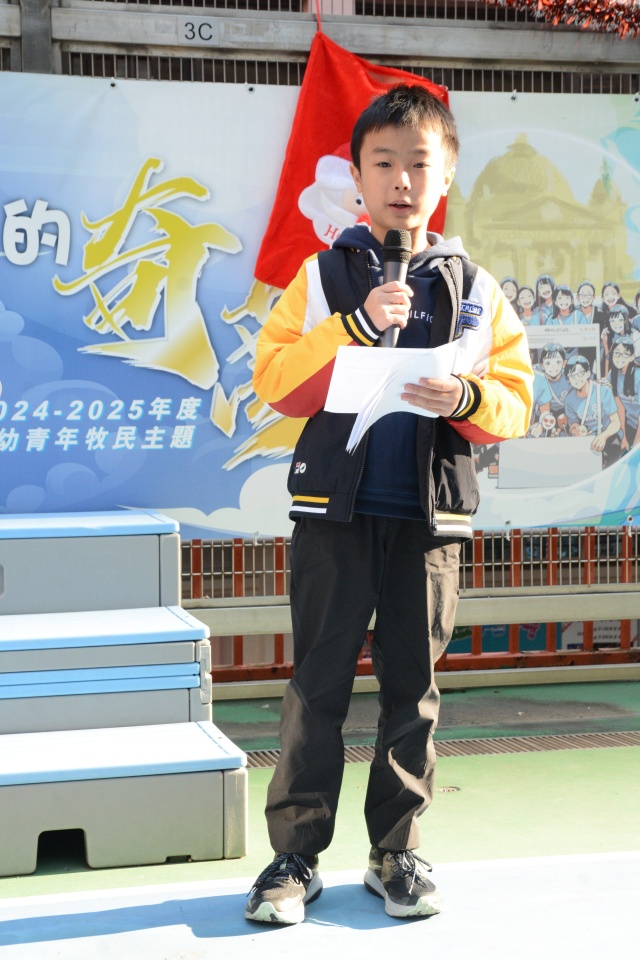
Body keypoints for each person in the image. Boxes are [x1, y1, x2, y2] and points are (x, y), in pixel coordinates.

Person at [248, 84, 533, 926]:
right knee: (318, 686)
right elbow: (276, 383)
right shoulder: (320, 277)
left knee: (413, 689)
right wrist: (356, 324)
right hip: (332, 519)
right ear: (359, 178)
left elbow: (516, 403)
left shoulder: (476, 290)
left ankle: (394, 852)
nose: (402, 180)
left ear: (446, 177)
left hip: (427, 524)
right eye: (384, 163)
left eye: (419, 164)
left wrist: (465, 397)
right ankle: (294, 858)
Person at [564, 354, 621, 467]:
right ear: (568, 379)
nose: (576, 378)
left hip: (608, 437)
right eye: (572, 375)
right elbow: (572, 424)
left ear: (588, 373)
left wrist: (603, 436)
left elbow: (616, 422)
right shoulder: (569, 399)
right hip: (586, 440)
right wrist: (576, 430)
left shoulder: (603, 391)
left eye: (580, 373)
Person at [608, 335, 640, 452]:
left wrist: (636, 444)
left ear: (632, 357)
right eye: (616, 353)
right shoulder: (612, 374)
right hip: (627, 423)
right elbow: (619, 408)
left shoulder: (638, 376)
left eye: (625, 354)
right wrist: (624, 437)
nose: (620, 357)